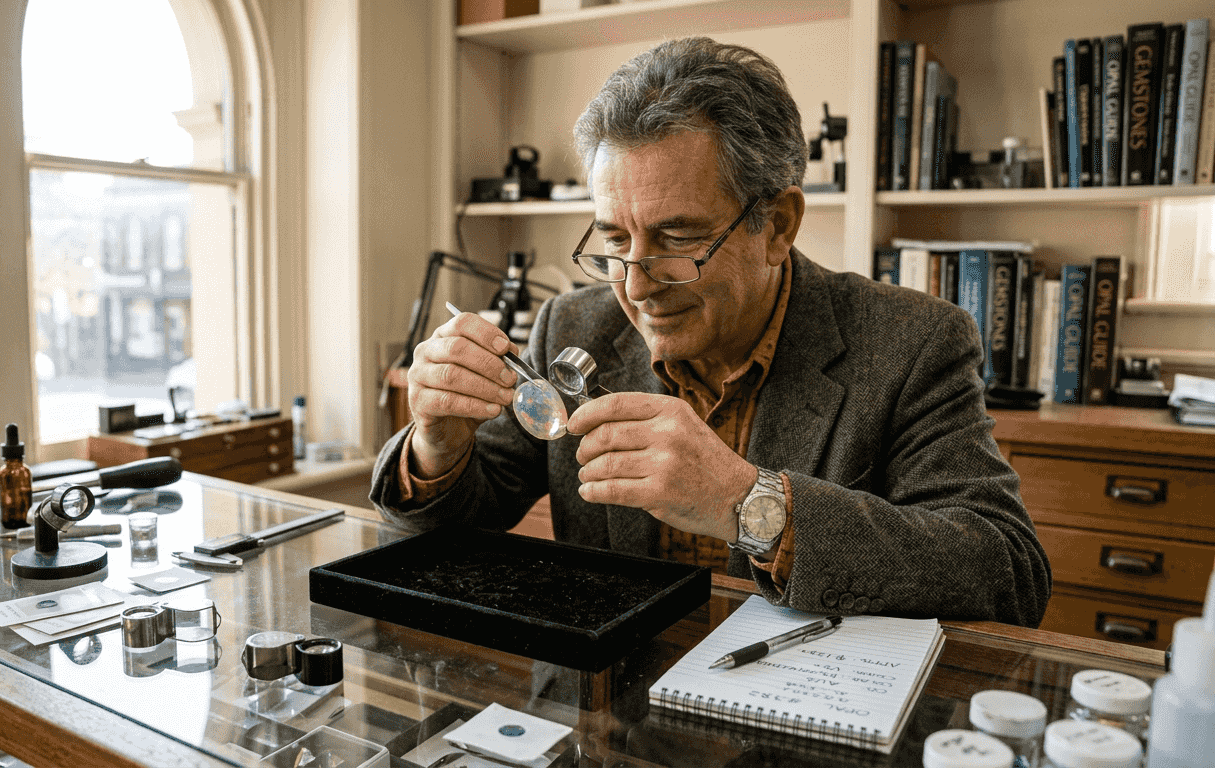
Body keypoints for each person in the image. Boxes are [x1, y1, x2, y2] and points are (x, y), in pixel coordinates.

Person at [371, 37, 1050, 627]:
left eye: (678, 240)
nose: (634, 288)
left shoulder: (912, 343)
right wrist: (437, 445)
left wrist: (748, 504)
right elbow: (436, 530)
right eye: (613, 240)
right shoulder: (570, 324)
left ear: (778, 226)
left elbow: (1006, 572)